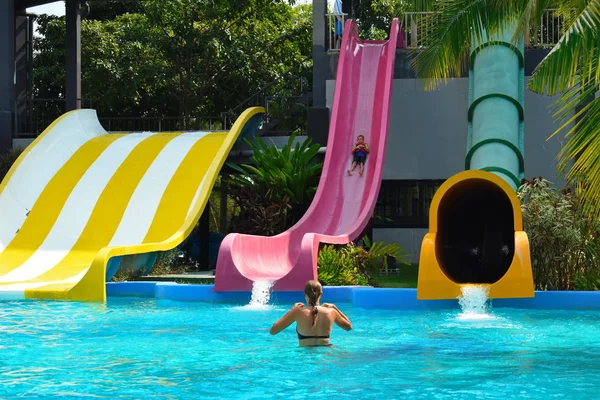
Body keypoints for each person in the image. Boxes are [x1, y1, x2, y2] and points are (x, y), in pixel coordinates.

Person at [269, 280, 352, 347]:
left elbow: (273, 331)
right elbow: (349, 327)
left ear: (305, 295)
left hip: (305, 355)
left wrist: (292, 310)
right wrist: (335, 307)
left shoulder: (297, 312)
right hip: (326, 354)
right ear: (321, 294)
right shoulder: (331, 312)